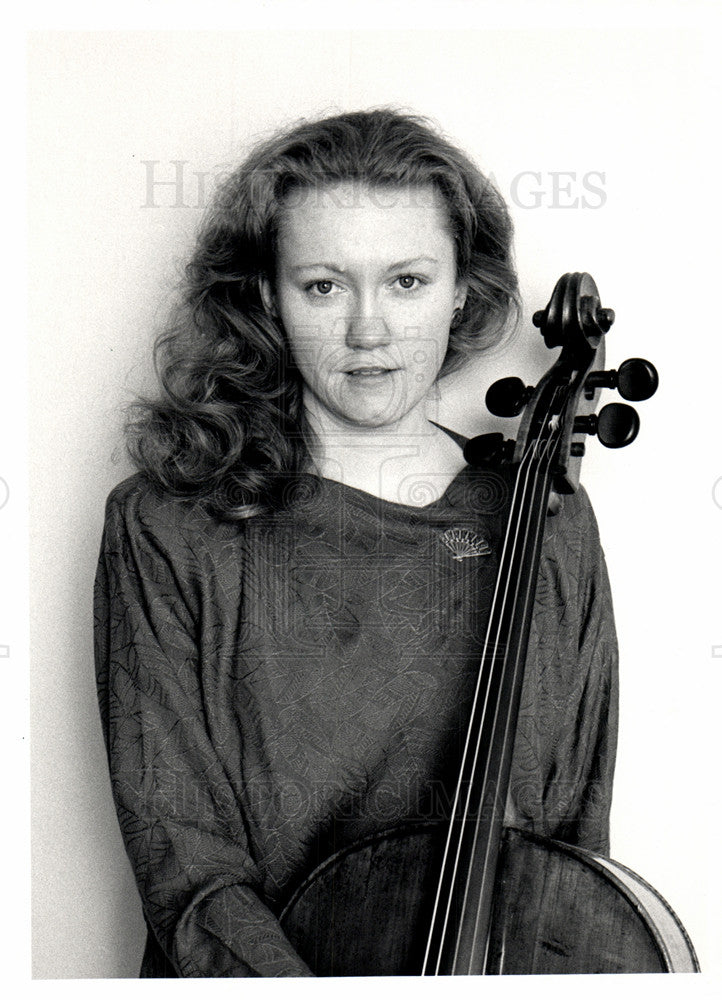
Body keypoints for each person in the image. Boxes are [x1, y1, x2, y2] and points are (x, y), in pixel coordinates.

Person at [93, 109, 618, 977]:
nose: (369, 331)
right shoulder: (170, 527)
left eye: (407, 281)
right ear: (266, 294)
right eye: (325, 286)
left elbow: (573, 851)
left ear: (461, 289)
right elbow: (188, 869)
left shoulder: (547, 520)